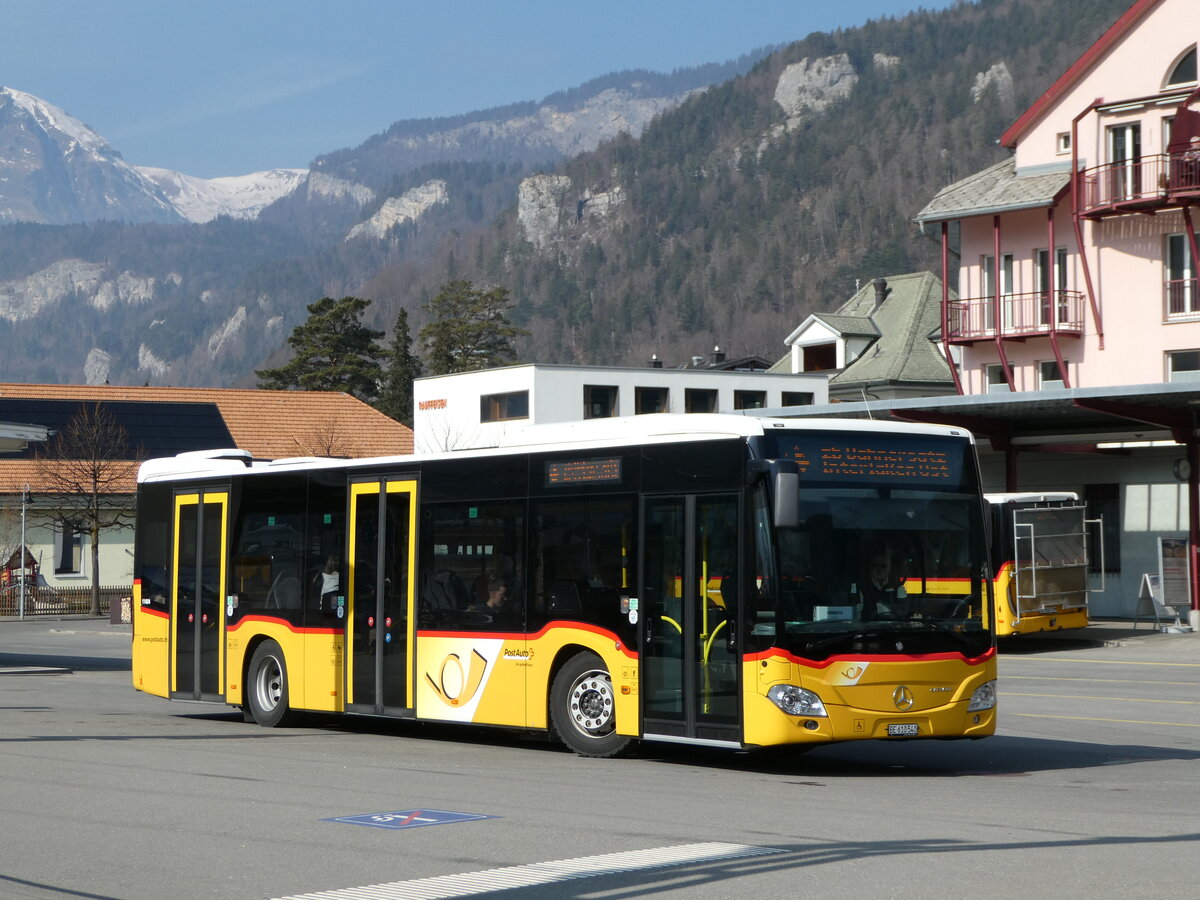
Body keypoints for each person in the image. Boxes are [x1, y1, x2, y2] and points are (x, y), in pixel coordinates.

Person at [856, 548, 907, 620]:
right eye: (875, 565)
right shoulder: (861, 586)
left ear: (890, 568)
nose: (879, 569)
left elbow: (903, 611)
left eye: (883, 566)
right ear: (869, 567)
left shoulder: (897, 586)